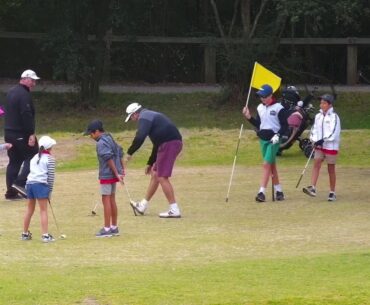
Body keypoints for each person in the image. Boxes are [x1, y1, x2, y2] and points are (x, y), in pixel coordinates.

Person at [124, 102, 183, 218]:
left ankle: (174, 209)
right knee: (155, 174)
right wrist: (150, 162)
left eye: (131, 117)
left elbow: (140, 136)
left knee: (162, 176)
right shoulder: (149, 117)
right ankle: (142, 205)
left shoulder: (144, 117)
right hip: (167, 144)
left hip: (169, 144)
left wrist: (129, 153)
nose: (133, 120)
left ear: (135, 113)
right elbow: (156, 144)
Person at [242, 84, 288, 202]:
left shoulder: (279, 108)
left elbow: (285, 126)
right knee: (271, 166)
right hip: (263, 139)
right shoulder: (260, 108)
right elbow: (259, 124)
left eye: (264, 96)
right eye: (260, 96)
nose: (262, 99)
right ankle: (279, 191)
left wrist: (278, 136)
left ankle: (261, 192)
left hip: (274, 139)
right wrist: (249, 117)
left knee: (266, 164)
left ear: (270, 96)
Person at [84, 120, 125, 237]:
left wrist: (117, 173)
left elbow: (108, 158)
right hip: (114, 174)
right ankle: (114, 227)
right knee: (112, 199)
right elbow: (120, 151)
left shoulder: (101, 143)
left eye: (91, 134)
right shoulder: (109, 138)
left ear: (97, 132)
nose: (91, 137)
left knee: (105, 199)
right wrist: (121, 171)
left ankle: (107, 229)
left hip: (107, 174)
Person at [3, 69, 40, 200]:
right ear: (24, 79)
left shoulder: (11, 92)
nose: (34, 83)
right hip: (21, 133)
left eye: (35, 81)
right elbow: (26, 115)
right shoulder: (24, 94)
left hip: (9, 133)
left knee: (14, 161)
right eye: (32, 80)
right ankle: (18, 184)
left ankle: (11, 193)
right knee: (34, 156)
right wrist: (31, 133)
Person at [302, 94, 341, 201]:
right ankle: (313, 188)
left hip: (331, 146)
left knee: (331, 169)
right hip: (319, 145)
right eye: (321, 103)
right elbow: (314, 130)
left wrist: (323, 140)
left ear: (330, 104)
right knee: (316, 164)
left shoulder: (334, 117)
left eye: (324, 103)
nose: (321, 105)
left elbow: (334, 133)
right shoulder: (318, 116)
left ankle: (332, 192)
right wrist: (314, 140)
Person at [21, 136, 57, 243]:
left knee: (29, 210)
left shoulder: (34, 157)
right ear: (49, 147)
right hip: (40, 185)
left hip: (30, 184)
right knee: (43, 210)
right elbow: (50, 177)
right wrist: (49, 191)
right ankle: (45, 235)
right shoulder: (50, 159)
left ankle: (25, 233)